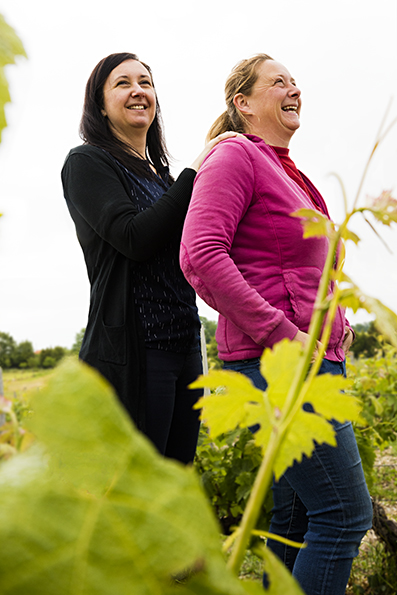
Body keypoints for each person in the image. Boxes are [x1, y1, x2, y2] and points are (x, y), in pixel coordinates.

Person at [180, 54, 373, 594]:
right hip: (279, 365)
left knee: (293, 522)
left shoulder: (290, 172)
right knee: (342, 517)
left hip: (312, 359)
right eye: (278, 82)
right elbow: (199, 255)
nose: (294, 89)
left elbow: (309, 268)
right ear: (242, 103)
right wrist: (283, 334)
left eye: (296, 82)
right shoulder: (234, 156)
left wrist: (337, 324)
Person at [61, 52, 236, 464]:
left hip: (185, 347)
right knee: (138, 490)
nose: (138, 90)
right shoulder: (87, 162)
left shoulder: (162, 178)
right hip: (137, 354)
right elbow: (134, 237)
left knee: (176, 480)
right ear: (100, 105)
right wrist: (198, 168)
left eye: (145, 81)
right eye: (122, 83)